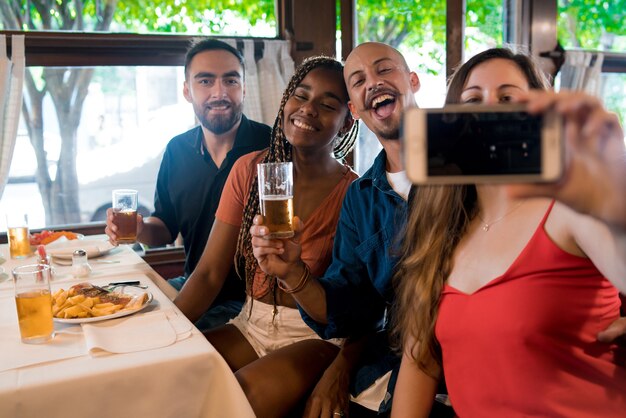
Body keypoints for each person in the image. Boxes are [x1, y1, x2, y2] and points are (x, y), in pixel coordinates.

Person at [391, 48, 626, 417]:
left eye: (506, 97)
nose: (488, 110)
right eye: (473, 100)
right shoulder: (441, 234)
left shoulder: (569, 209)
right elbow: (418, 361)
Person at [176, 55, 359, 418]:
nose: (308, 110)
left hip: (313, 337)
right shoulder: (249, 170)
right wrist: (161, 339)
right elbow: (210, 273)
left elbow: (364, 307)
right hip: (250, 323)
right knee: (174, 376)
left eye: (327, 104)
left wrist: (343, 367)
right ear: (285, 101)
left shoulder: (355, 192)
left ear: (346, 121)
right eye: (300, 96)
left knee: (239, 400)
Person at [251, 42, 422, 416]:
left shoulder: (465, 171)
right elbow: (352, 310)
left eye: (384, 70)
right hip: (401, 362)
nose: (373, 82)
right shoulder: (361, 200)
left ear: (412, 81)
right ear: (357, 110)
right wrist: (293, 273)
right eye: (359, 80)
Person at [105, 39, 271, 330]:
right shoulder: (177, 150)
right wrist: (140, 229)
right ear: (187, 90)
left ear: (244, 87)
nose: (219, 92)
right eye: (205, 81)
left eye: (230, 80)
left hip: (251, 300)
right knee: (113, 316)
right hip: (190, 283)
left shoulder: (271, 147)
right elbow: (165, 229)